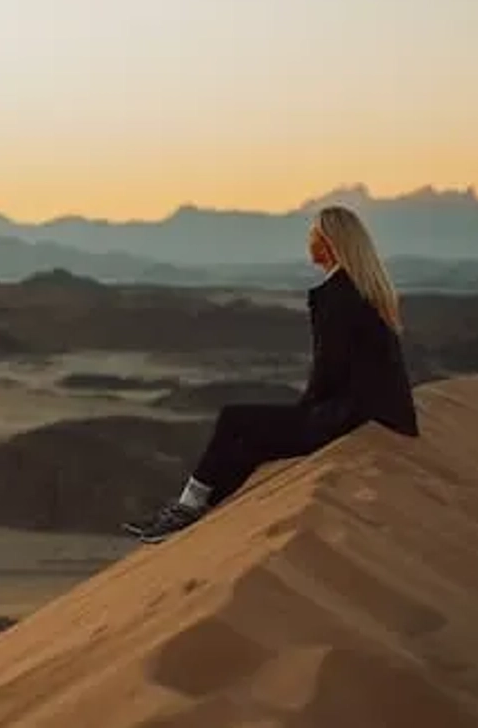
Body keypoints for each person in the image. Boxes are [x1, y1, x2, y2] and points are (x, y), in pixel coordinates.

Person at [124, 204, 419, 544]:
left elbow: (329, 367)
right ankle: (197, 512)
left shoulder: (338, 295)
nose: (308, 239)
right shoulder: (364, 290)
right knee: (251, 443)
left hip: (348, 417)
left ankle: (186, 509)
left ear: (329, 242)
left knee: (234, 420)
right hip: (369, 413)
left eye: (314, 233)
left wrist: (305, 411)